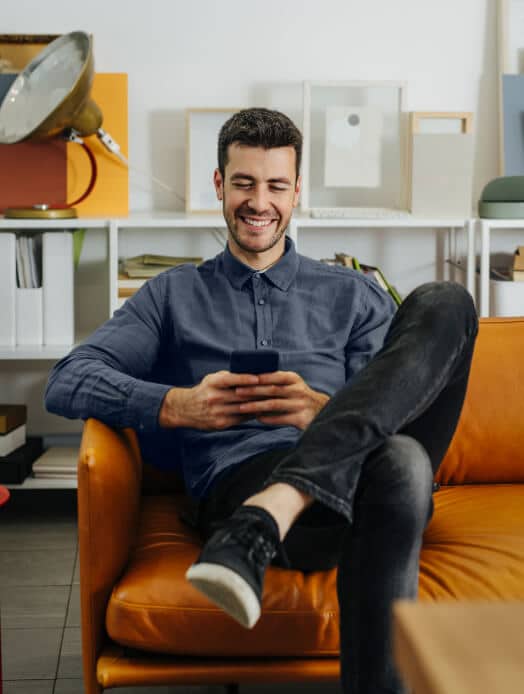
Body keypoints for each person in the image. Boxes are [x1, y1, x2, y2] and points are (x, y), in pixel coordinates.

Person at [45, 107, 478, 694]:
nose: (259, 201)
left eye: (276, 185)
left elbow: (396, 412)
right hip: (242, 481)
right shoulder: (173, 294)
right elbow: (69, 378)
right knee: (401, 467)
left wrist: (323, 412)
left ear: (297, 191)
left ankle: (269, 513)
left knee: (448, 301)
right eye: (244, 183)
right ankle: (267, 507)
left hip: (358, 487)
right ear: (219, 185)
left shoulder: (353, 295)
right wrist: (175, 404)